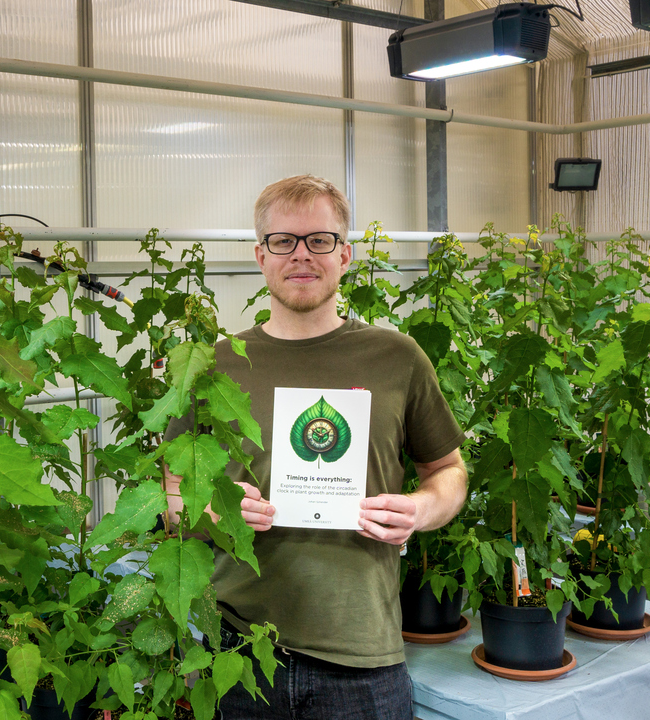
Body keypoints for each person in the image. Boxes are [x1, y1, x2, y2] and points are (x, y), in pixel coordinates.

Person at [163, 175, 468, 720]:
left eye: (319, 240)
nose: (301, 255)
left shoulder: (397, 358)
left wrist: (420, 510)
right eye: (283, 241)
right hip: (237, 648)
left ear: (344, 254)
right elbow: (172, 490)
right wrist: (210, 511)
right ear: (261, 256)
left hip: (361, 655)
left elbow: (447, 470)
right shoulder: (213, 367)